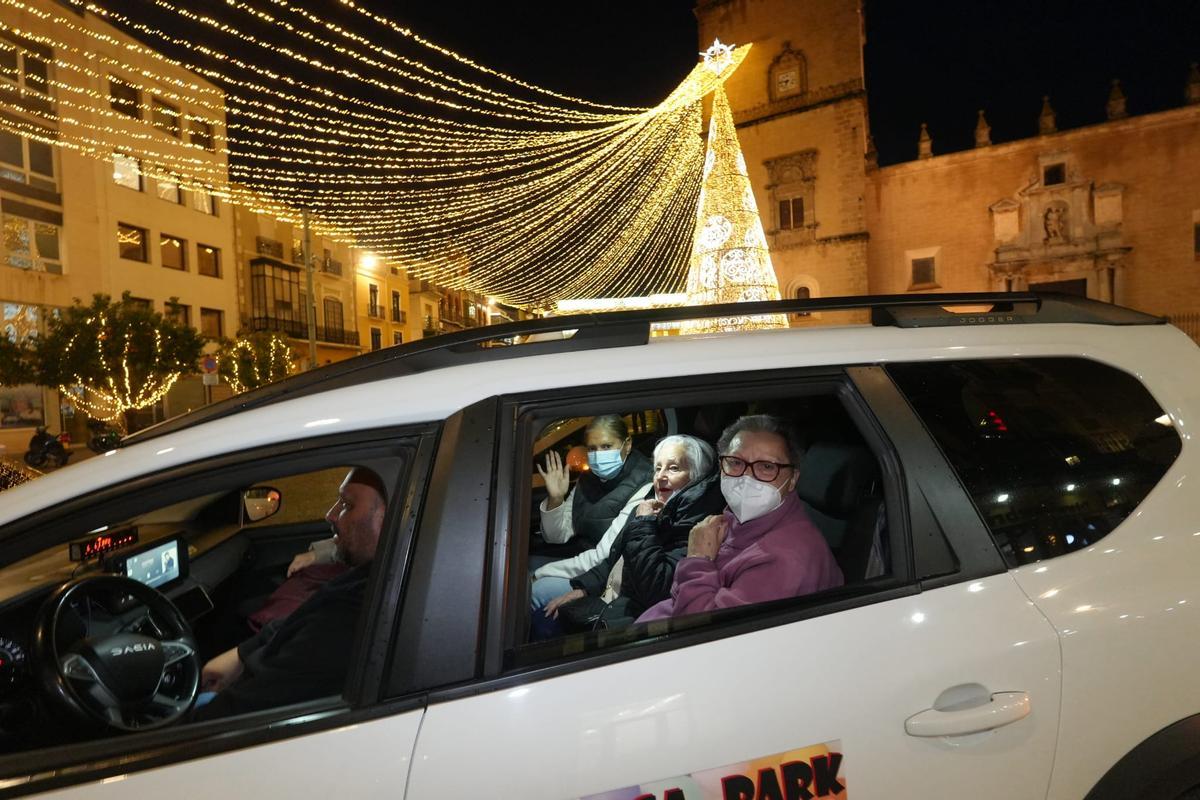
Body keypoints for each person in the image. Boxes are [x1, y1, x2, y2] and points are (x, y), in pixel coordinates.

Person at [194, 466, 387, 719]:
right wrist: (240, 655)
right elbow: (305, 614)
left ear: (388, 519)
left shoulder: (352, 618)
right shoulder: (372, 573)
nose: (330, 515)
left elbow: (241, 710)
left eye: (347, 505)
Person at [637, 415, 843, 623]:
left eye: (767, 467)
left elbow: (702, 632)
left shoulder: (785, 559)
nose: (747, 478)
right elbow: (680, 594)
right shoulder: (737, 522)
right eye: (735, 462)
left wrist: (697, 559)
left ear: (792, 480)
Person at [542, 434, 725, 633]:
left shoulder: (698, 525)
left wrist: (644, 523)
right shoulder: (652, 503)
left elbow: (655, 588)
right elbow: (615, 556)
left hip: (628, 616)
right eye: (657, 468)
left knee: (544, 618)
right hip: (606, 596)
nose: (661, 476)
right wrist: (582, 588)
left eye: (673, 468)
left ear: (697, 476)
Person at [528, 415, 652, 614]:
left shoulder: (644, 484)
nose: (598, 455)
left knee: (534, 590)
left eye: (606, 446)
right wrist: (556, 499)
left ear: (627, 445)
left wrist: (541, 573)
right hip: (580, 556)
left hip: (607, 572)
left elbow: (602, 555)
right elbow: (557, 537)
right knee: (523, 568)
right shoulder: (588, 477)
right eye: (592, 449)